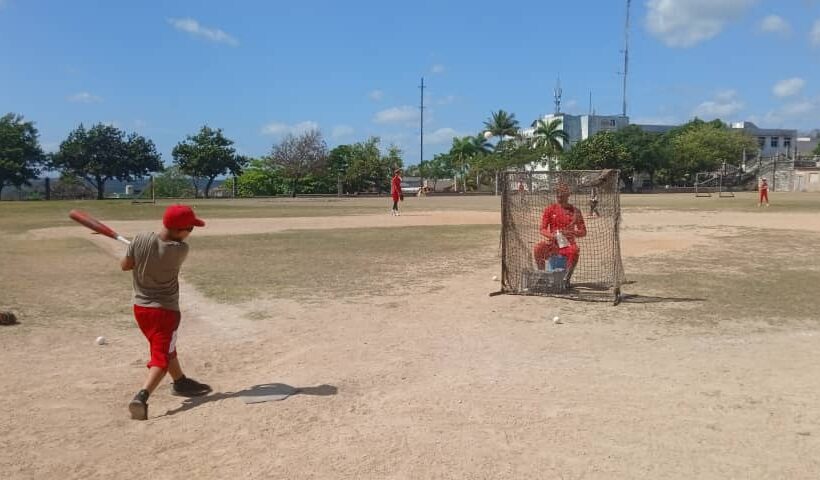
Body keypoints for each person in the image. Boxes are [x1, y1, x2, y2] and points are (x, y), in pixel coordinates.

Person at [121, 204, 212, 420]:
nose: (190, 233)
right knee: (160, 357)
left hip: (141, 309)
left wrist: (136, 249)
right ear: (181, 230)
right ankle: (141, 397)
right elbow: (162, 249)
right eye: (190, 229)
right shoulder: (180, 250)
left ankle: (180, 382)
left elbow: (126, 265)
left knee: (165, 346)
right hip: (164, 313)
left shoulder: (140, 238)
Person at [533, 184, 587, 286]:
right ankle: (542, 275)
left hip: (568, 244)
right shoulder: (550, 209)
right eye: (557, 196)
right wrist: (551, 236)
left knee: (575, 251)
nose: (559, 198)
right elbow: (542, 229)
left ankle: (566, 279)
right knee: (538, 248)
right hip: (553, 243)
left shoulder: (576, 211)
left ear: (568, 195)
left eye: (562, 195)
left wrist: (571, 233)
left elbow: (583, 232)